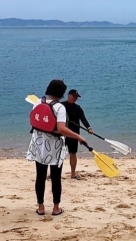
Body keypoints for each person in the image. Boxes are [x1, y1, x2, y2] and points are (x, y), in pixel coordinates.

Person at [27, 79, 87, 216]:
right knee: (56, 177)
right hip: (54, 146)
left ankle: (41, 208)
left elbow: (33, 120)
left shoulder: (38, 102)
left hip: (39, 143)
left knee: (40, 176)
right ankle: (56, 208)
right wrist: (78, 137)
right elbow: (61, 129)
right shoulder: (60, 107)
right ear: (61, 93)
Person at [61, 89, 94, 179]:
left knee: (73, 153)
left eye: (76, 97)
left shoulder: (78, 108)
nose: (75, 98)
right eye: (74, 96)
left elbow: (83, 119)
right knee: (59, 154)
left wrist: (89, 128)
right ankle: (54, 174)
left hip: (74, 134)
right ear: (69, 95)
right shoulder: (61, 106)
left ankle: (73, 174)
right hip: (62, 133)